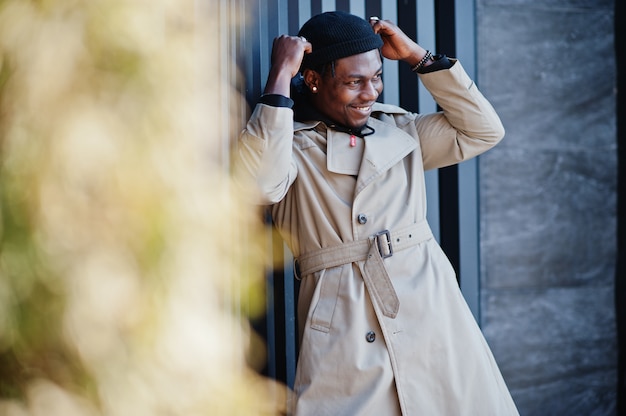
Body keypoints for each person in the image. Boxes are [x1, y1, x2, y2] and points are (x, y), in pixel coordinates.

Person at [237, 11, 519, 416]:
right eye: (354, 82)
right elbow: (259, 184)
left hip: (428, 308)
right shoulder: (288, 144)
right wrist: (281, 76)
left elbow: (483, 130)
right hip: (343, 319)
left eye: (376, 78)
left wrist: (418, 57)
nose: (369, 93)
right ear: (314, 79)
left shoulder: (400, 131)